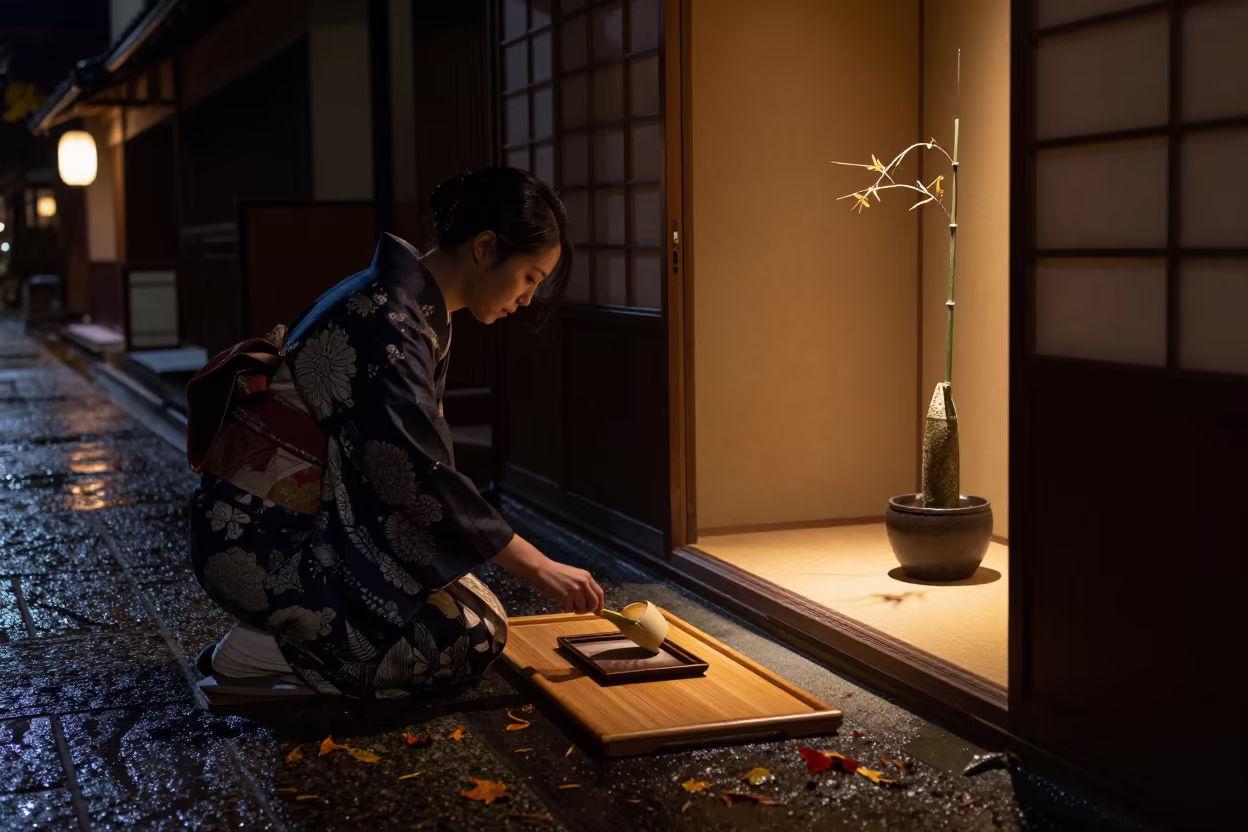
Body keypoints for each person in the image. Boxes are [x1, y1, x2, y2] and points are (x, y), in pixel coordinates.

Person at [186, 167, 605, 700]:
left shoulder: (398, 305)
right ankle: (271, 651)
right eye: (529, 277)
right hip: (262, 544)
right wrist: (541, 565)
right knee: (469, 637)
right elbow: (415, 476)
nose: (527, 299)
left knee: (480, 609)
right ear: (483, 248)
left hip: (288, 523)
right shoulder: (386, 320)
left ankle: (289, 635)